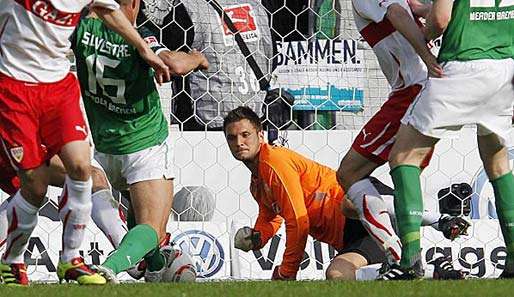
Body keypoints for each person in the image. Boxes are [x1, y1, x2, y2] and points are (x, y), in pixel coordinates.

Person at [0, 0, 169, 286]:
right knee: (35, 185)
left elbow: (108, 9)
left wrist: (143, 48)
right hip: (14, 89)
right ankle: (12, 262)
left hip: (57, 87)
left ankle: (71, 259)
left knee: (82, 168)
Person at [224, 106, 468, 280]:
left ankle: (439, 219)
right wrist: (259, 237)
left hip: (361, 204)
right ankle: (434, 271)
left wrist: (287, 273)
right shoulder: (257, 182)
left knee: (349, 205)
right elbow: (272, 216)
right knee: (338, 275)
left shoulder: (273, 161)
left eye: (245, 135)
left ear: (260, 135)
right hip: (352, 237)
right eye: (232, 138)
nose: (239, 142)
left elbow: (299, 222)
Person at [71, 0, 208, 283]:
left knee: (96, 183)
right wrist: (197, 58)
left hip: (104, 145)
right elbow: (174, 65)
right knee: (152, 229)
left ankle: (154, 262)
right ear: (133, 3)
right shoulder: (139, 35)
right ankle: (114, 265)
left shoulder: (81, 28)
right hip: (145, 146)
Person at [383, 0, 514, 279]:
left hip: (460, 68)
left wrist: (426, 33)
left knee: (404, 157)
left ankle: (410, 260)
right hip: (503, 70)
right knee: (498, 164)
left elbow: (441, 20)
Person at [333, 0, 465, 277]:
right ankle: (419, 259)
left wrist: (428, 59)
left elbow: (395, 13)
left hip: (412, 91)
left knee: (349, 173)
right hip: (433, 90)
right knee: (400, 178)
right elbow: (420, 10)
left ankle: (401, 258)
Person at [138, 0, 273, 130]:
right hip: (255, 116)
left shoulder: (188, 9)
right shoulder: (258, 6)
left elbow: (168, 65)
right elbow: (271, 58)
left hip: (205, 118)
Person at [0, 154, 127, 252]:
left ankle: (130, 255)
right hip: (20, 140)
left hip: (29, 139)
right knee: (93, 177)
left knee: (28, 194)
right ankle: (129, 256)